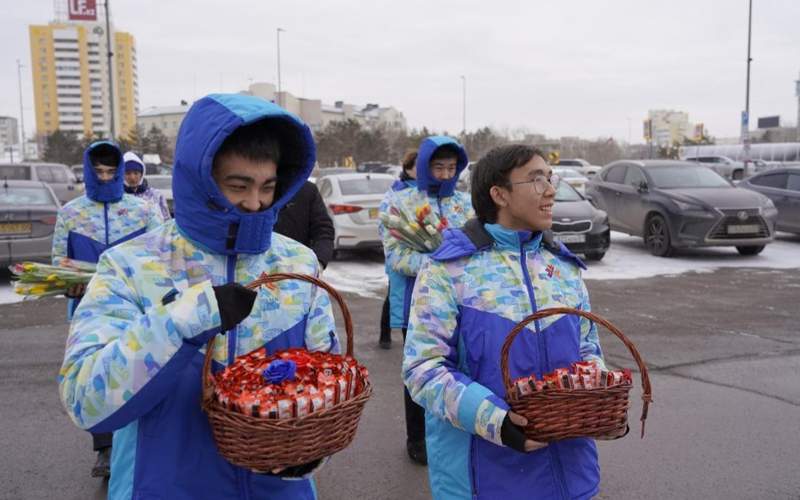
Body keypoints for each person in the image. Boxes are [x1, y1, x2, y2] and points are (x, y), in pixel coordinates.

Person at [58, 94, 339, 499]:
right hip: (161, 488)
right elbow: (85, 401)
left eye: (268, 187)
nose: (255, 203)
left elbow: (326, 385)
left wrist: (310, 453)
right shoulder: (131, 266)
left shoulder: (297, 264)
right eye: (238, 186)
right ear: (200, 179)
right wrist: (183, 321)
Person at [402, 144, 625, 499]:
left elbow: (587, 350)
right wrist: (497, 422)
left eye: (550, 178)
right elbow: (423, 370)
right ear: (499, 194)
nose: (550, 190)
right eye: (536, 180)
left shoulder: (562, 266)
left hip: (572, 474)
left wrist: (598, 402)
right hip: (484, 479)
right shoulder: (449, 270)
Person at [51, 140, 165, 478]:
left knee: (138, 370)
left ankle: (141, 441)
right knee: (98, 375)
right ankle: (105, 448)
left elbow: (161, 257)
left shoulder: (143, 211)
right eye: (98, 171)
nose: (104, 177)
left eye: (110, 171)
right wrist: (68, 284)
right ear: (88, 172)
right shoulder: (70, 213)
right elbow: (59, 260)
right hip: (89, 309)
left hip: (137, 306)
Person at [378, 136, 473, 466]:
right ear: (423, 167)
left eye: (452, 167)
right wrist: (440, 264)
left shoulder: (466, 203)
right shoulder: (400, 202)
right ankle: (416, 437)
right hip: (417, 302)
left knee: (458, 366)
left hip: (462, 301)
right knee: (419, 370)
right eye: (438, 167)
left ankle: (456, 429)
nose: (446, 174)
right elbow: (395, 256)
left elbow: (479, 246)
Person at [379, 150, 418, 349]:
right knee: (396, 297)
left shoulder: (430, 192)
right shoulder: (397, 193)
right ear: (408, 168)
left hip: (420, 263)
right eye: (418, 166)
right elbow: (387, 226)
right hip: (402, 260)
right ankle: (385, 334)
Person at [273, 180, 334, 268]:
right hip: (257, 269)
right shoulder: (257, 189)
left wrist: (318, 262)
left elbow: (323, 231)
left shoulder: (307, 190)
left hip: (299, 267)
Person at [122, 151, 171, 219]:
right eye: (128, 173)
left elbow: (167, 219)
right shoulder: (118, 197)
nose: (132, 177)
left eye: (136, 173)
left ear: (141, 174)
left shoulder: (155, 195)